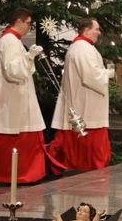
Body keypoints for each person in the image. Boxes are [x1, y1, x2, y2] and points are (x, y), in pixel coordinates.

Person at [0, 8, 57, 184]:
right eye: (28, 23)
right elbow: (13, 71)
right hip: (11, 100)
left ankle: (23, 173)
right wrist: (30, 56)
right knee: (11, 141)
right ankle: (12, 173)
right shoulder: (10, 41)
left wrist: (29, 57)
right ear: (19, 21)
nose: (30, 27)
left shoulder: (12, 40)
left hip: (16, 97)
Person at [47, 17, 114, 171]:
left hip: (83, 101)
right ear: (87, 30)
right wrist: (108, 73)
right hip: (86, 103)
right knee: (91, 145)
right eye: (96, 29)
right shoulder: (83, 48)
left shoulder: (80, 46)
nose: (99, 32)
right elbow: (90, 76)